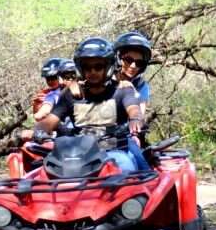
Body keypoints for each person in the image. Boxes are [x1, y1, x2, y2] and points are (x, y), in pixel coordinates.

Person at [34, 37, 147, 172]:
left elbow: (133, 108)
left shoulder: (123, 89)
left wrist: (135, 118)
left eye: (98, 67)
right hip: (78, 156)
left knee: (127, 170)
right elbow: (50, 119)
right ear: (81, 69)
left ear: (108, 67)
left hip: (116, 152)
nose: (92, 71)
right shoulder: (71, 94)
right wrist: (36, 131)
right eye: (87, 67)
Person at [113, 32, 152, 118]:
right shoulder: (103, 78)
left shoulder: (141, 86)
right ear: (118, 59)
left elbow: (140, 115)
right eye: (128, 60)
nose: (133, 66)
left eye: (139, 63)